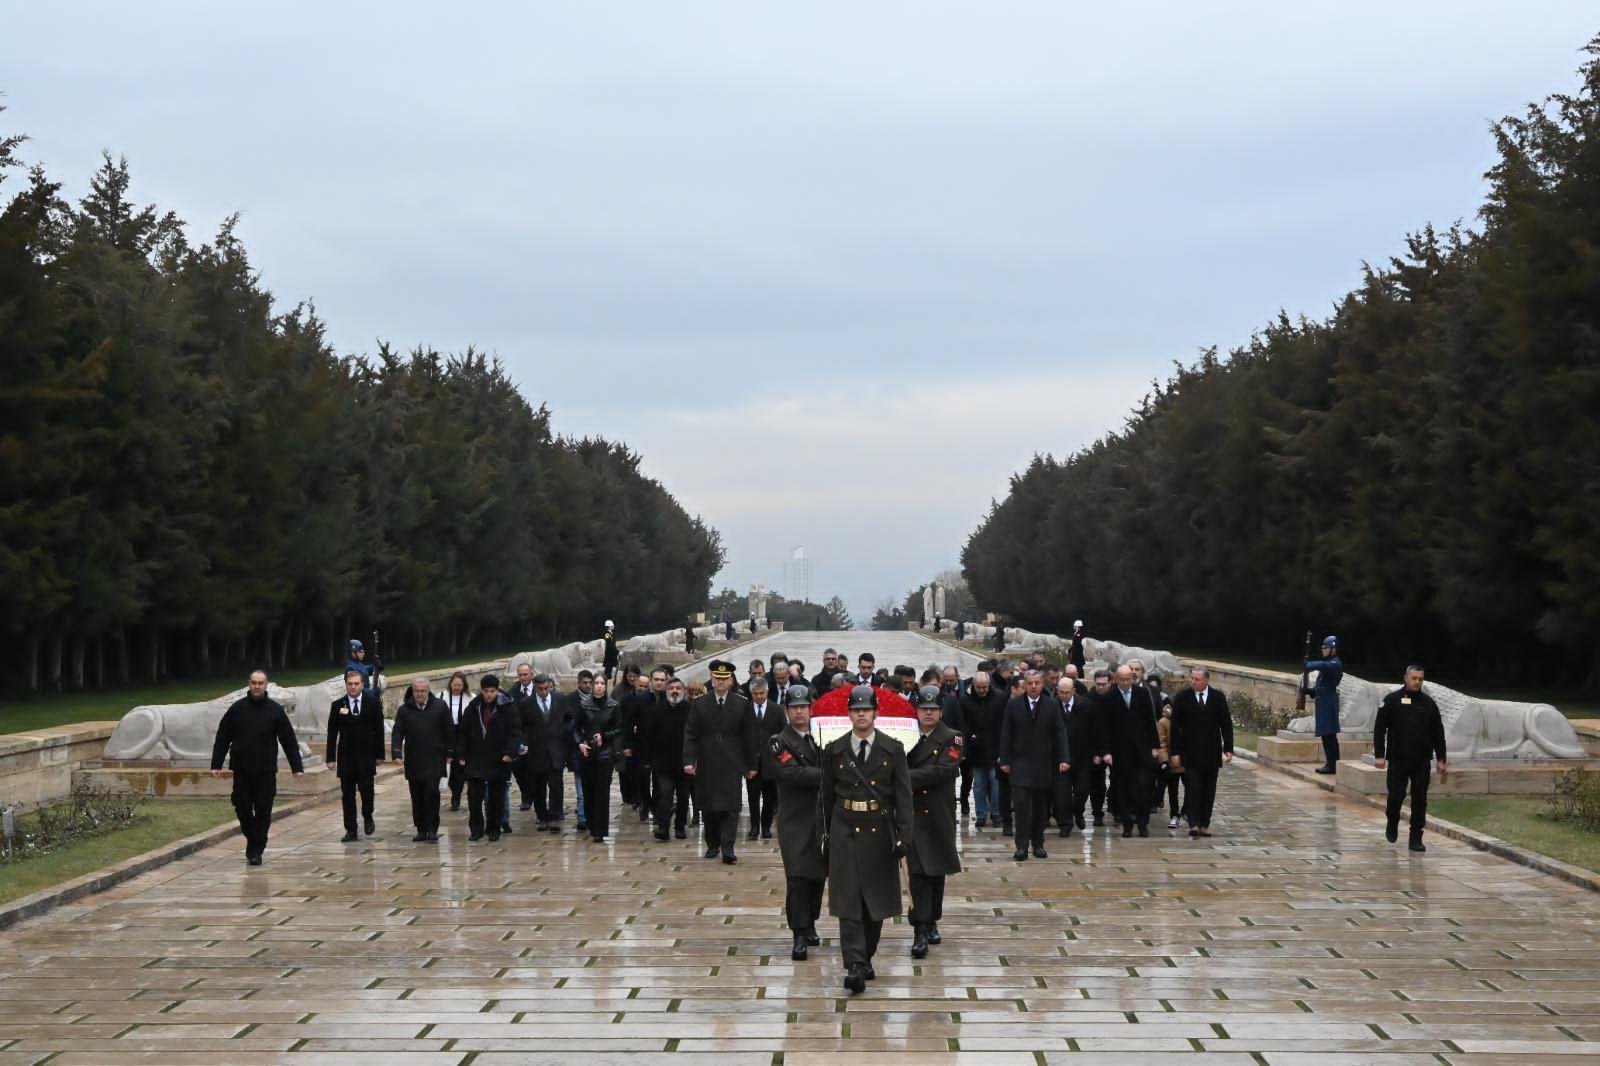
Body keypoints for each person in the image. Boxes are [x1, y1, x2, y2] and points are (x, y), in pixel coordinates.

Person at [819, 685, 913, 994]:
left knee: (875, 903)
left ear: (875, 713)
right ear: (849, 714)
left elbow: (903, 796)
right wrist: (824, 833)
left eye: (866, 710)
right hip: (845, 828)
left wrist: (904, 834)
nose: (861, 715)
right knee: (848, 902)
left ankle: (866, 955)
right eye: (856, 710)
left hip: (878, 830)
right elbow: (825, 797)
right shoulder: (834, 750)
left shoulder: (892, 749)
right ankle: (855, 965)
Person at [210, 669, 305, 865]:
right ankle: (253, 839)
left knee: (263, 810)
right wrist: (216, 764)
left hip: (265, 770)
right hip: (242, 769)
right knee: (241, 807)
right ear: (249, 684)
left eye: (260, 683)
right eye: (254, 683)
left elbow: (288, 739)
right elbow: (223, 736)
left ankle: (255, 851)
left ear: (266, 685)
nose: (257, 686)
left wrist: (297, 766)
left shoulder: (275, 710)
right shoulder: (237, 709)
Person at [765, 685, 826, 960]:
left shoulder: (821, 738)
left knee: (818, 876)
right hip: (795, 820)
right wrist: (828, 774)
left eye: (803, 707)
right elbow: (792, 773)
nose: (799, 712)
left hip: (821, 818)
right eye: (794, 708)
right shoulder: (779, 741)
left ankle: (811, 922)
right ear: (787, 711)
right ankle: (799, 933)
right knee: (798, 877)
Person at [684, 660, 759, 864]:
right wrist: (689, 760)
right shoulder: (700, 703)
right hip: (707, 762)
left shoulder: (742, 704)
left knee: (731, 807)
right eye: (717, 678)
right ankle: (712, 844)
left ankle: (728, 848)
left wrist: (751, 765)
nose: (720, 682)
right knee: (709, 807)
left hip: (732, 763)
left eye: (724, 679)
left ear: (731, 681)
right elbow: (691, 734)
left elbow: (749, 736)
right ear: (711, 679)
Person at [906, 686, 962, 958]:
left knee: (936, 872)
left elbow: (942, 770)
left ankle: (932, 920)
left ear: (940, 711)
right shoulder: (906, 737)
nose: (928, 713)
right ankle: (920, 927)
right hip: (913, 812)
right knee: (917, 873)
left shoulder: (952, 738)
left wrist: (904, 778)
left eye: (933, 709)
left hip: (939, 812)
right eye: (923, 709)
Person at [1373, 665, 1447, 853]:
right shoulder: (1392, 700)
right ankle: (1392, 821)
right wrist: (1380, 755)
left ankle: (1416, 838)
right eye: (1414, 678)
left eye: (1420, 679)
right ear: (1406, 678)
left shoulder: (1429, 704)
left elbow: (1438, 733)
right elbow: (1380, 728)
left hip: (1421, 760)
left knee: (1420, 799)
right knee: (1396, 796)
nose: (1417, 682)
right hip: (1398, 759)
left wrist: (1441, 758)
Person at [997, 670, 1070, 860]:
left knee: (1040, 809)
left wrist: (1064, 758)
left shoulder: (1051, 705)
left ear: (1042, 684)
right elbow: (1006, 732)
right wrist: (1004, 759)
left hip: (1043, 763)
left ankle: (1038, 844)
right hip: (1020, 762)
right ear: (1025, 685)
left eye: (1037, 683)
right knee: (1021, 807)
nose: (1034, 686)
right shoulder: (1013, 705)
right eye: (1030, 683)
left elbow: (1060, 732)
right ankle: (1021, 846)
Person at [1169, 667, 1233, 838]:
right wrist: (1175, 752)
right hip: (1190, 752)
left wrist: (1228, 748)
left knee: (1208, 790)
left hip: (1211, 752)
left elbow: (1226, 724)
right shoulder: (1182, 697)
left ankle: (1205, 824)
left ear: (1206, 680)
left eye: (1197, 679)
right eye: (1192, 678)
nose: (1193, 682)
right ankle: (1194, 823)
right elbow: (1175, 727)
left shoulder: (1218, 697)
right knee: (1193, 788)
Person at [457, 674, 521, 842]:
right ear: (481, 691)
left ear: (497, 690)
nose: (489, 695)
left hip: (498, 757)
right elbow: (464, 732)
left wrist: (510, 752)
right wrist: (461, 754)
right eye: (486, 691)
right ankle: (476, 829)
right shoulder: (474, 707)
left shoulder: (507, 707)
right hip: (476, 757)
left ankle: (494, 828)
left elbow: (515, 732)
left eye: (492, 691)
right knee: (474, 797)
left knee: (496, 797)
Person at [391, 677, 452, 842]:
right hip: (414, 759)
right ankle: (421, 829)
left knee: (432, 793)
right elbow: (397, 732)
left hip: (434, 758)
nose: (420, 694)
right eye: (417, 691)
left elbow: (449, 730)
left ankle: (432, 828)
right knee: (417, 795)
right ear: (413, 691)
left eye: (423, 691)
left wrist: (450, 752)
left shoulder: (440, 706)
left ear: (428, 691)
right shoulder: (404, 710)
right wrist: (397, 753)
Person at [327, 669, 386, 842]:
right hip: (346, 757)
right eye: (350, 684)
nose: (353, 687)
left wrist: (380, 754)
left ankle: (368, 816)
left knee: (367, 791)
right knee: (347, 795)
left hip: (366, 755)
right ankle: (350, 829)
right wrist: (330, 758)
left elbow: (379, 730)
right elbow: (332, 733)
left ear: (362, 685)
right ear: (346, 685)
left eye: (356, 684)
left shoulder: (373, 703)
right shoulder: (338, 705)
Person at [1106, 665, 1161, 838]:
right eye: (1121, 680)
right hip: (1120, 751)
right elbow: (1104, 727)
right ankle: (1127, 824)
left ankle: (1143, 823)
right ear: (1116, 679)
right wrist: (1106, 751)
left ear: (1132, 678)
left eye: (1128, 679)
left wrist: (1155, 746)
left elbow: (1150, 720)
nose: (1125, 683)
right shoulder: (1110, 696)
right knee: (1123, 788)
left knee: (1144, 786)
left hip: (1142, 749)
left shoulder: (1142, 693)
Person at [574, 675, 622, 842]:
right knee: (588, 791)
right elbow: (575, 728)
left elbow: (619, 728)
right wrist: (580, 743)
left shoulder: (613, 705)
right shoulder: (584, 705)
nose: (599, 686)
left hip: (605, 753)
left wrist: (604, 736)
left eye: (602, 683)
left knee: (602, 792)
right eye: (597, 683)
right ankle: (591, 823)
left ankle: (600, 831)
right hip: (587, 752)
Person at [955, 671, 1004, 829]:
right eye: (979, 687)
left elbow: (1004, 723)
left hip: (995, 747)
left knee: (995, 781)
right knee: (979, 784)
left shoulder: (999, 698)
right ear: (973, 686)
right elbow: (962, 724)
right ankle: (981, 814)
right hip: (975, 749)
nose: (982, 690)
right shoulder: (965, 700)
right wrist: (967, 742)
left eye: (985, 687)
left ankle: (996, 813)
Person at [1053, 676, 1101, 837]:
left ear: (1073, 691)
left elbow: (1095, 731)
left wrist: (1096, 752)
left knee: (1082, 789)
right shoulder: (1052, 706)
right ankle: (1065, 823)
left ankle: (1078, 811)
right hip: (1060, 758)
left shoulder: (1086, 705)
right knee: (1062, 794)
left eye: (1067, 692)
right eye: (1061, 692)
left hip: (1082, 757)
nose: (1064, 695)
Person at [518, 672, 566, 831]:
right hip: (536, 750)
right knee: (538, 786)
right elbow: (522, 726)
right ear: (535, 688)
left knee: (556, 785)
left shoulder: (560, 699)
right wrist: (524, 743)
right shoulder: (526, 703)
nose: (544, 692)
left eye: (546, 688)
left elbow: (568, 719)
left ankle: (555, 816)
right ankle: (542, 816)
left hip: (556, 749)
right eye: (540, 689)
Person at [648, 676, 692, 840]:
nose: (674, 691)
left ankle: (680, 826)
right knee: (665, 796)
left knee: (683, 797)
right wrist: (649, 759)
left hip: (684, 763)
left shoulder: (689, 710)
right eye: (671, 688)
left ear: (683, 691)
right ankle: (663, 828)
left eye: (678, 688)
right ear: (666, 691)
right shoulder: (657, 710)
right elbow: (650, 735)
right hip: (663, 763)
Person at [621, 668, 664, 823]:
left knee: (659, 781)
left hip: (662, 748)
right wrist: (627, 745)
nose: (659, 682)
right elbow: (628, 723)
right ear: (651, 681)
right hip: (643, 746)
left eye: (662, 680)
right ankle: (647, 803)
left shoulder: (668, 699)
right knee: (643, 779)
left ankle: (657, 810)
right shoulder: (640, 699)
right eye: (656, 679)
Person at [744, 677, 783, 839]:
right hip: (751, 762)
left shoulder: (777, 710)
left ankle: (766, 827)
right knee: (753, 797)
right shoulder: (745, 710)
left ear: (767, 692)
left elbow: (783, 735)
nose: (759, 696)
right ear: (751, 693)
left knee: (769, 798)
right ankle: (754, 827)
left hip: (770, 762)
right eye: (756, 694)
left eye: (762, 693)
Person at [1304, 636, 1344, 774]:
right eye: (1322, 647)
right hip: (1324, 701)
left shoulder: (1335, 663)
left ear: (1333, 649)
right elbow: (1323, 685)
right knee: (1326, 736)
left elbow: (1323, 665)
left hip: (1329, 702)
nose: (1323, 650)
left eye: (1325, 647)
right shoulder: (1328, 663)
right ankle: (1331, 763)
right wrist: (1311, 691)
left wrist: (1309, 665)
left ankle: (1332, 765)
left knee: (1329, 735)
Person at [442, 672, 471, 810]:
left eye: (459, 685)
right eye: (455, 685)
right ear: (450, 684)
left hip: (462, 735)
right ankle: (453, 789)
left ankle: (456, 797)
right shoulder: (441, 696)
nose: (457, 687)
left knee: (459, 768)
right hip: (446, 735)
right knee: (449, 767)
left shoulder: (470, 698)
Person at [1155, 702, 1184, 829]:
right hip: (1172, 761)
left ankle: (1186, 811)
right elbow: (1161, 743)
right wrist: (1164, 760)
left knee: (1193, 789)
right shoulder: (1164, 722)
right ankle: (1174, 814)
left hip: (1188, 761)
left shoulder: (1187, 718)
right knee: (1173, 790)